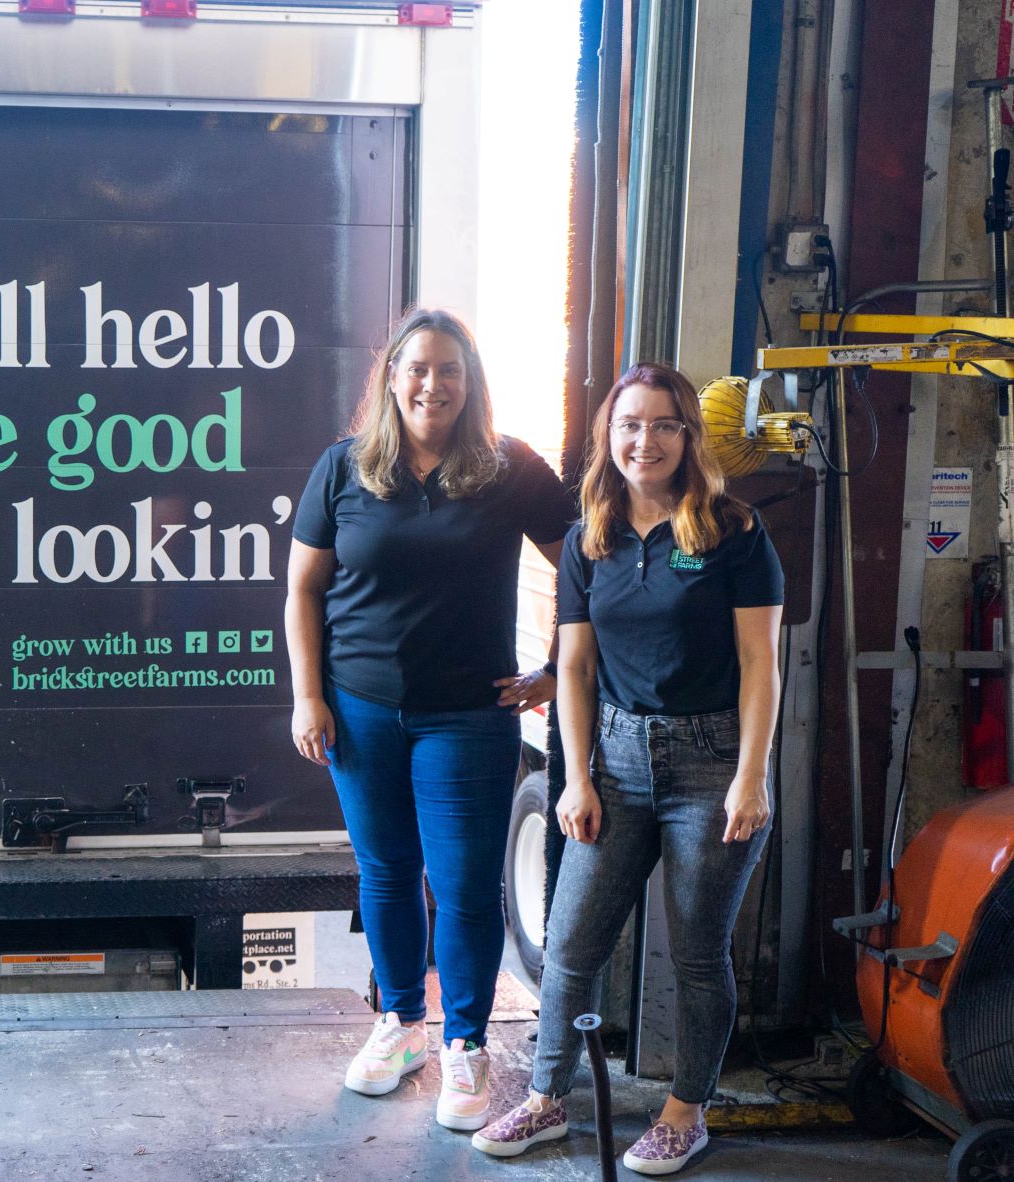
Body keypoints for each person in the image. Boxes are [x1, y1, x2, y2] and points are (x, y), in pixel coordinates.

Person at [472, 362, 783, 1175]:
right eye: (628, 425)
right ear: (609, 437)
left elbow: (760, 666)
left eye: (661, 425)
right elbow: (572, 668)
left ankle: (685, 1111)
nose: (643, 441)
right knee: (572, 941)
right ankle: (543, 1100)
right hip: (612, 760)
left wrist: (750, 777)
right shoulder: (589, 538)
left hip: (711, 767)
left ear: (688, 437)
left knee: (695, 951)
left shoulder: (733, 533)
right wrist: (575, 775)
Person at [285, 308, 575, 1130]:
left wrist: (555, 670)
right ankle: (399, 1025)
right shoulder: (344, 468)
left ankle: (465, 1045)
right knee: (385, 872)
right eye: (417, 368)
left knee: (464, 888)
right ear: (391, 378)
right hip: (359, 710)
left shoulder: (509, 467)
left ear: (470, 384)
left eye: (450, 371)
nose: (432, 384)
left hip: (465, 719)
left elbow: (583, 567)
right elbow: (303, 590)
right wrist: (309, 696)